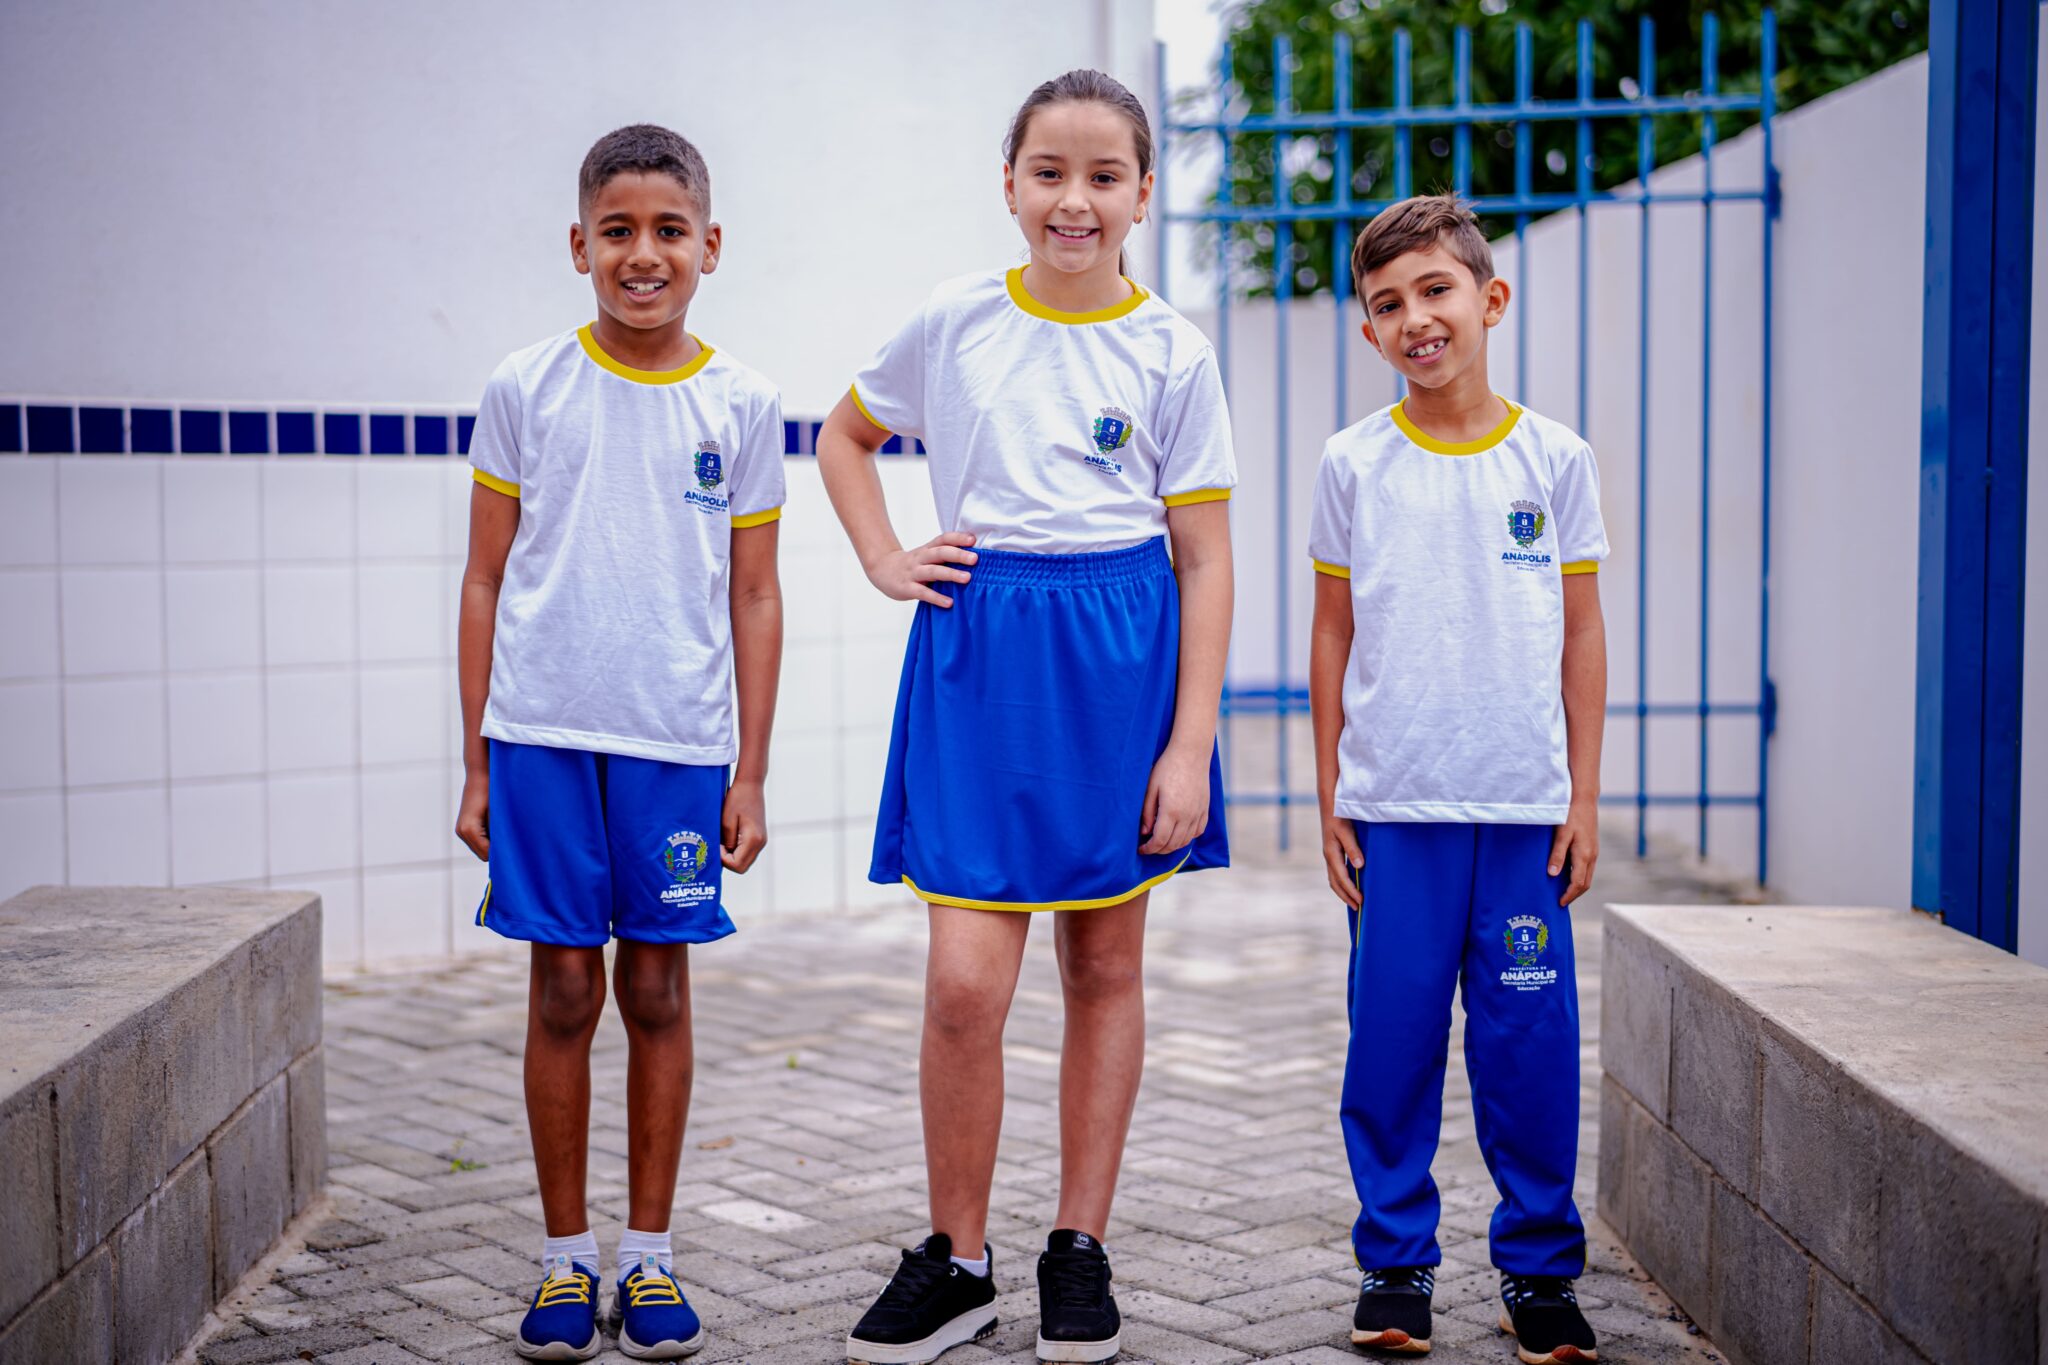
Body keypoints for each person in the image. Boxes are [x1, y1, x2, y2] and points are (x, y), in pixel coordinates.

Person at [814, 69, 1235, 1365]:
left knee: (1102, 969)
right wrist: (885, 557)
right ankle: (958, 1259)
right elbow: (843, 437)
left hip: (1119, 671)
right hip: (981, 662)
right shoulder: (954, 319)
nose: (1074, 200)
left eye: (1104, 176)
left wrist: (1189, 744)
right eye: (1049, 171)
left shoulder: (1172, 350)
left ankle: (1077, 1247)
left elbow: (1206, 557)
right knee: (962, 985)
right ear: (1008, 184)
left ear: (1143, 195)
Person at [455, 123, 784, 1361]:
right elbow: (483, 580)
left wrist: (749, 770)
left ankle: (647, 1258)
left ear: (710, 244)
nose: (642, 255)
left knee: (654, 987)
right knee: (560, 989)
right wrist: (478, 762)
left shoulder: (740, 402)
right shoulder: (524, 386)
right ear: (578, 245)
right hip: (541, 738)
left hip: (676, 748)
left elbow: (755, 593)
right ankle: (564, 1260)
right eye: (617, 232)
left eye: (667, 231)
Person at [1308, 195, 1607, 1365]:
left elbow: (1580, 633)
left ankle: (1537, 1271)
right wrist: (1330, 792)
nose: (1414, 319)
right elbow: (1330, 632)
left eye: (1434, 290)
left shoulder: (1554, 459)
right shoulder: (1353, 462)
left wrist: (1583, 797)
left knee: (1526, 1044)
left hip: (1522, 812)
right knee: (1389, 1044)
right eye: (1386, 304)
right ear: (1368, 331)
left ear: (1488, 299)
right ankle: (1394, 1265)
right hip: (1395, 811)